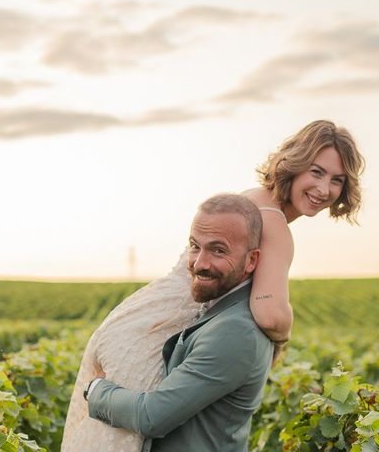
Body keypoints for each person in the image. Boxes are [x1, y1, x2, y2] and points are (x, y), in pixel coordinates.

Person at [61, 119, 365, 451]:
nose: (324, 189)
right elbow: (269, 313)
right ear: (294, 164)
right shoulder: (275, 222)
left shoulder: (251, 198)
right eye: (316, 172)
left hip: (149, 317)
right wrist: (280, 338)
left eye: (337, 180)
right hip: (171, 323)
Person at [86, 193, 271, 451]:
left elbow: (151, 416)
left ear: (251, 260)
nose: (199, 263)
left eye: (218, 250)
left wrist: (95, 389)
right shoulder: (218, 311)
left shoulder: (236, 331)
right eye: (195, 246)